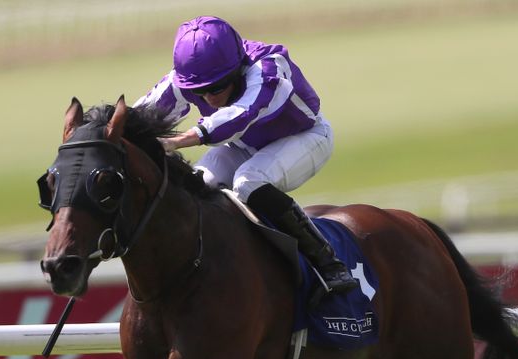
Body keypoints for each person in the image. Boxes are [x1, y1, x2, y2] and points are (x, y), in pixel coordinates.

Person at [135, 15, 359, 295]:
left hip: (304, 137)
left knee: (248, 181)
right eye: (199, 92)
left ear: (237, 69)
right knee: (198, 185)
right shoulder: (192, 77)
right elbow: (140, 116)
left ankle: (328, 263)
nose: (209, 99)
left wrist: (179, 140)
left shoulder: (270, 68)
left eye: (216, 88)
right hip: (243, 146)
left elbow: (240, 116)